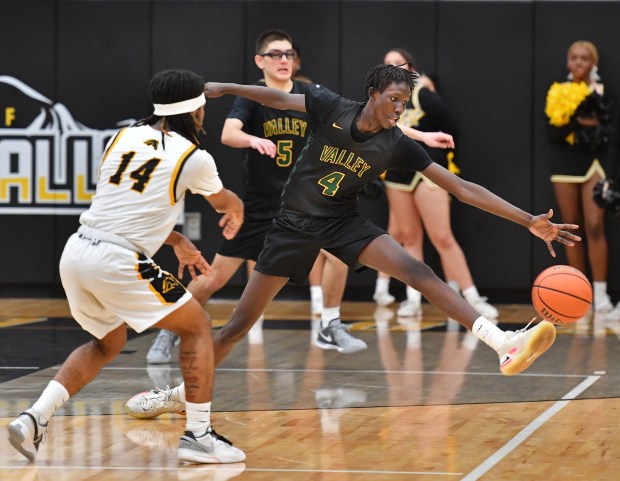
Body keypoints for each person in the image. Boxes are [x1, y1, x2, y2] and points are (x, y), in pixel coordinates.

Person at [125, 63, 581, 420]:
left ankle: (501, 342)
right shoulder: (331, 106)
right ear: (374, 94)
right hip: (292, 226)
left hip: (342, 223)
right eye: (394, 99)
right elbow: (280, 99)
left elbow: (461, 188)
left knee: (417, 271)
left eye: (405, 102)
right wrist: (227, 88)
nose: (399, 109)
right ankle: (180, 394)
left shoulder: (399, 143)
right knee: (238, 325)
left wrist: (527, 221)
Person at [7, 69, 246, 464]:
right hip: (117, 260)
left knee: (108, 343)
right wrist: (236, 208)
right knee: (198, 326)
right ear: (193, 109)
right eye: (202, 104)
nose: (205, 110)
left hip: (78, 251)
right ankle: (199, 436)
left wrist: (178, 240)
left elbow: (123, 206)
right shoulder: (193, 157)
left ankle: (35, 418)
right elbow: (224, 202)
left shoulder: (123, 136)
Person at [374, 48, 498, 319]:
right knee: (409, 238)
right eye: (387, 65)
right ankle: (413, 299)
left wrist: (438, 154)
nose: (393, 69)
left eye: (398, 63)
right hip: (396, 172)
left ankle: (473, 299)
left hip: (427, 169)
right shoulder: (380, 102)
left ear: (411, 68)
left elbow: (451, 127)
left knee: (442, 236)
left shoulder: (422, 94)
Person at [544, 40, 619, 320]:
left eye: (584, 58)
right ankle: (580, 292)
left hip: (595, 163)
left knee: (596, 224)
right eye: (573, 57)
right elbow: (553, 135)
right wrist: (578, 120)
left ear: (593, 63)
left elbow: (611, 135)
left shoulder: (604, 93)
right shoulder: (557, 92)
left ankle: (600, 293)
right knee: (570, 230)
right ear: (567, 62)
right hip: (565, 164)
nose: (578, 62)